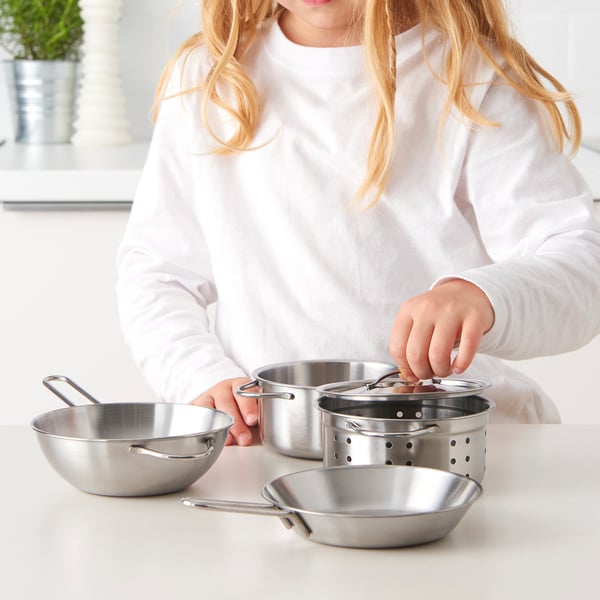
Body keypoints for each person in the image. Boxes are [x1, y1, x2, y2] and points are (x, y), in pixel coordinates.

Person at [116, 0, 600, 446]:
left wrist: (481, 296)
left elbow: (581, 268)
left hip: (461, 447)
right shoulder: (210, 77)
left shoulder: (471, 76)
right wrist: (199, 375)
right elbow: (158, 274)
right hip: (275, 451)